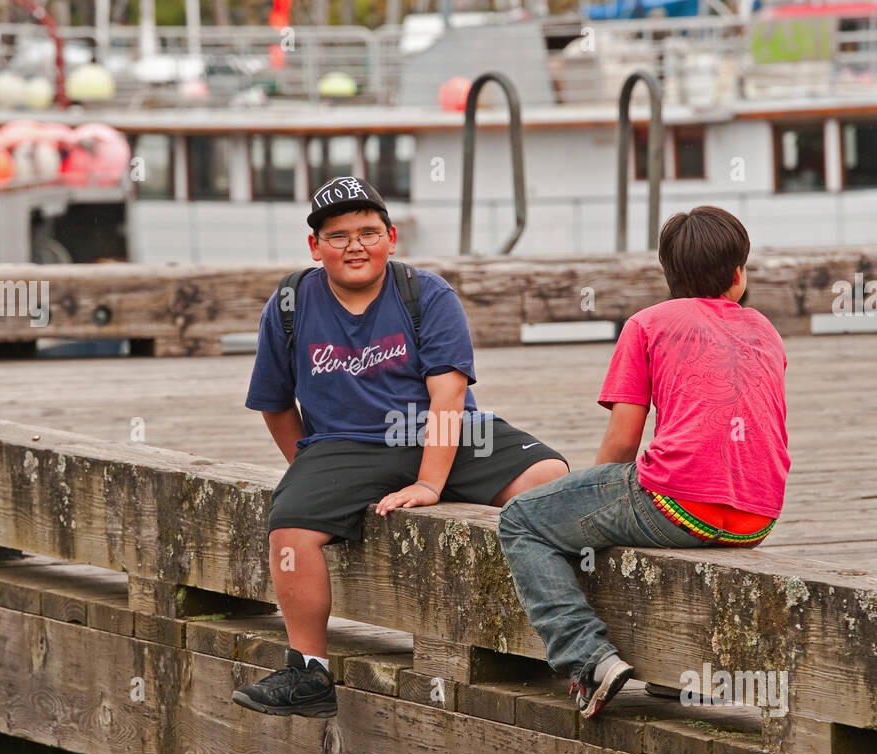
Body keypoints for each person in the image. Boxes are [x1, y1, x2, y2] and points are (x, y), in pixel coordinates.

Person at [234, 176, 569, 718]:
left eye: (368, 232)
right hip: (344, 444)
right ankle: (309, 673)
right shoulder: (291, 302)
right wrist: (312, 471)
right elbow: (274, 403)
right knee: (290, 531)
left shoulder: (426, 293)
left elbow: (449, 394)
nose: (355, 245)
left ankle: (555, 643)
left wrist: (429, 483)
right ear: (315, 247)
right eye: (337, 235)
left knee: (551, 479)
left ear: (391, 237)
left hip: (441, 431)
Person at [497, 206, 790, 719]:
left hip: (677, 502)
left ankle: (587, 660)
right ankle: (670, 671)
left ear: (668, 276)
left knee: (522, 520)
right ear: (739, 275)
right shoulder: (765, 329)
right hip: (757, 516)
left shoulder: (648, 323)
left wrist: (588, 496)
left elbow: (622, 443)